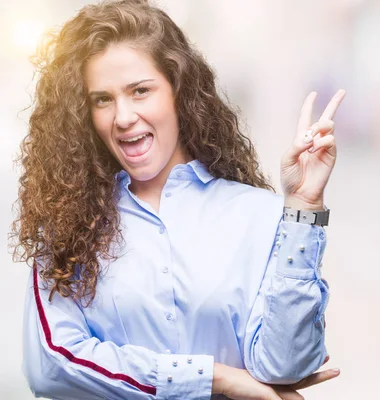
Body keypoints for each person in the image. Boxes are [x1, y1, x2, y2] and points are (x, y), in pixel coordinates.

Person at [10, 0, 346, 399]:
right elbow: (51, 364)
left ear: (178, 92)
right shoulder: (68, 225)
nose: (122, 117)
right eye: (103, 99)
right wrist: (216, 378)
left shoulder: (261, 215)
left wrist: (304, 208)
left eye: (140, 91)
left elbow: (282, 365)